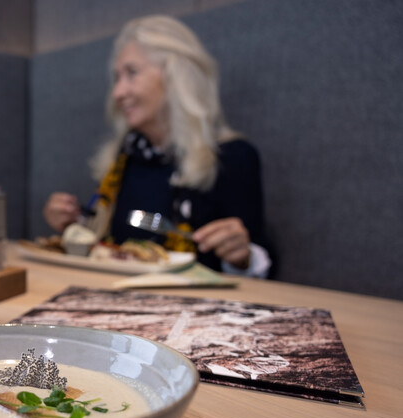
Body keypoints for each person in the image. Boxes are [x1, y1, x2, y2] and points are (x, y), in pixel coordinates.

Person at [43, 15, 271, 277]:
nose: (118, 92)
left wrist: (242, 256)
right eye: (117, 78)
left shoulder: (233, 157)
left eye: (132, 73)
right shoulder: (123, 161)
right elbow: (107, 249)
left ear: (176, 76)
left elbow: (261, 266)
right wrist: (72, 224)